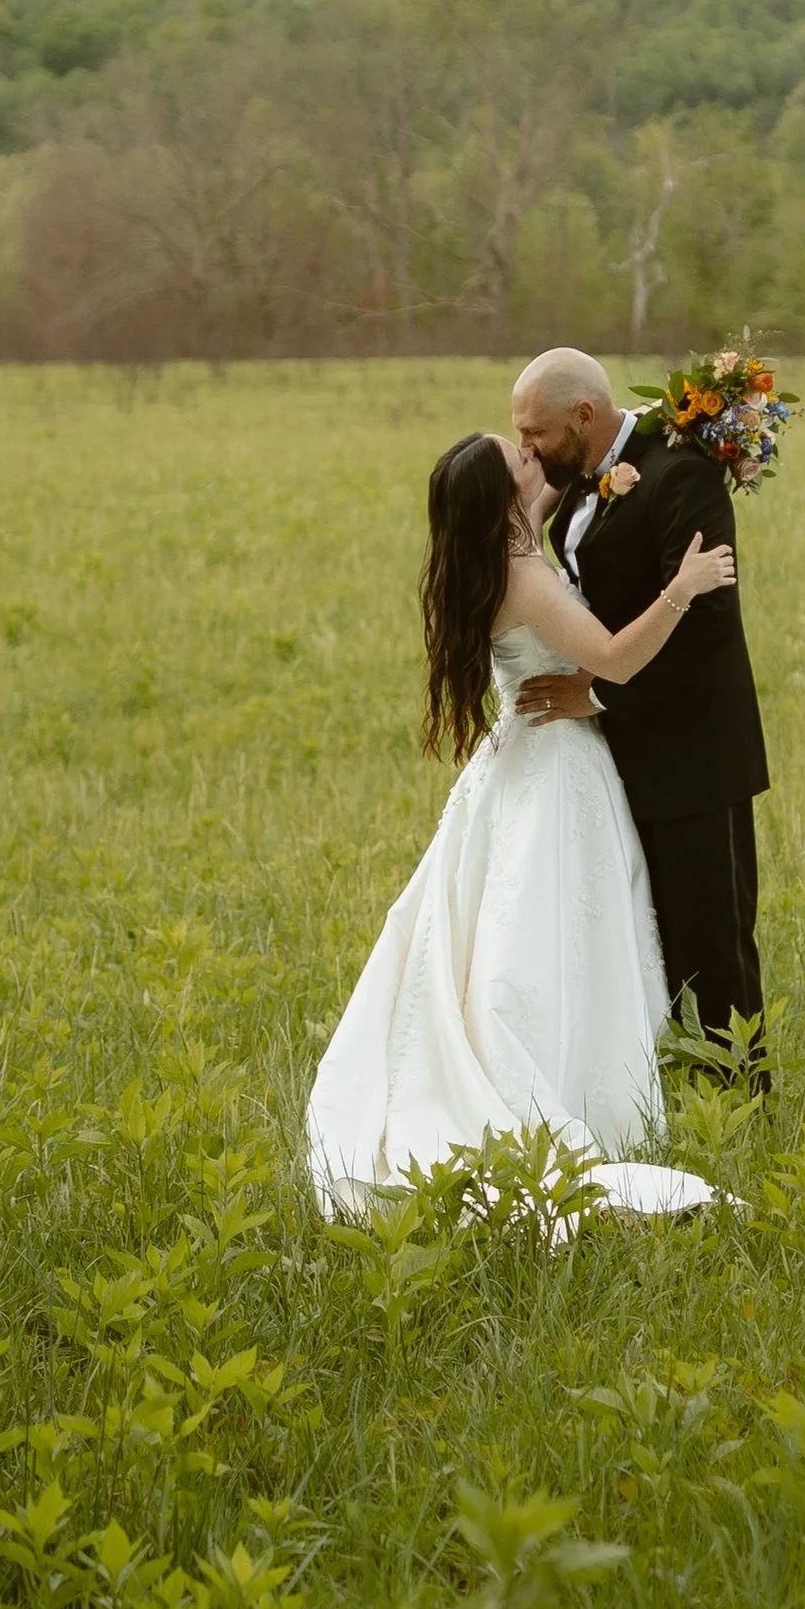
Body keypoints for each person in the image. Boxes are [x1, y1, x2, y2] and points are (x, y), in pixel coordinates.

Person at [304, 423, 733, 1217]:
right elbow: (616, 660)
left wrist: (620, 473)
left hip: (517, 759)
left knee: (520, 932)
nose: (533, 462)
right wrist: (687, 583)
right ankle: (564, 1091)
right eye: (520, 460)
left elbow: (555, 489)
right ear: (502, 497)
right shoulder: (524, 576)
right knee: (545, 938)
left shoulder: (493, 548)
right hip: (556, 766)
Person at [508, 344, 770, 1077]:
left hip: (692, 755)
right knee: (651, 938)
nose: (526, 448)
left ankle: (746, 1097)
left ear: (585, 415)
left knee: (712, 942)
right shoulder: (580, 479)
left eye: (536, 432)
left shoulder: (680, 474)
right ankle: (672, 1089)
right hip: (618, 754)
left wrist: (593, 690)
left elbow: (708, 624)